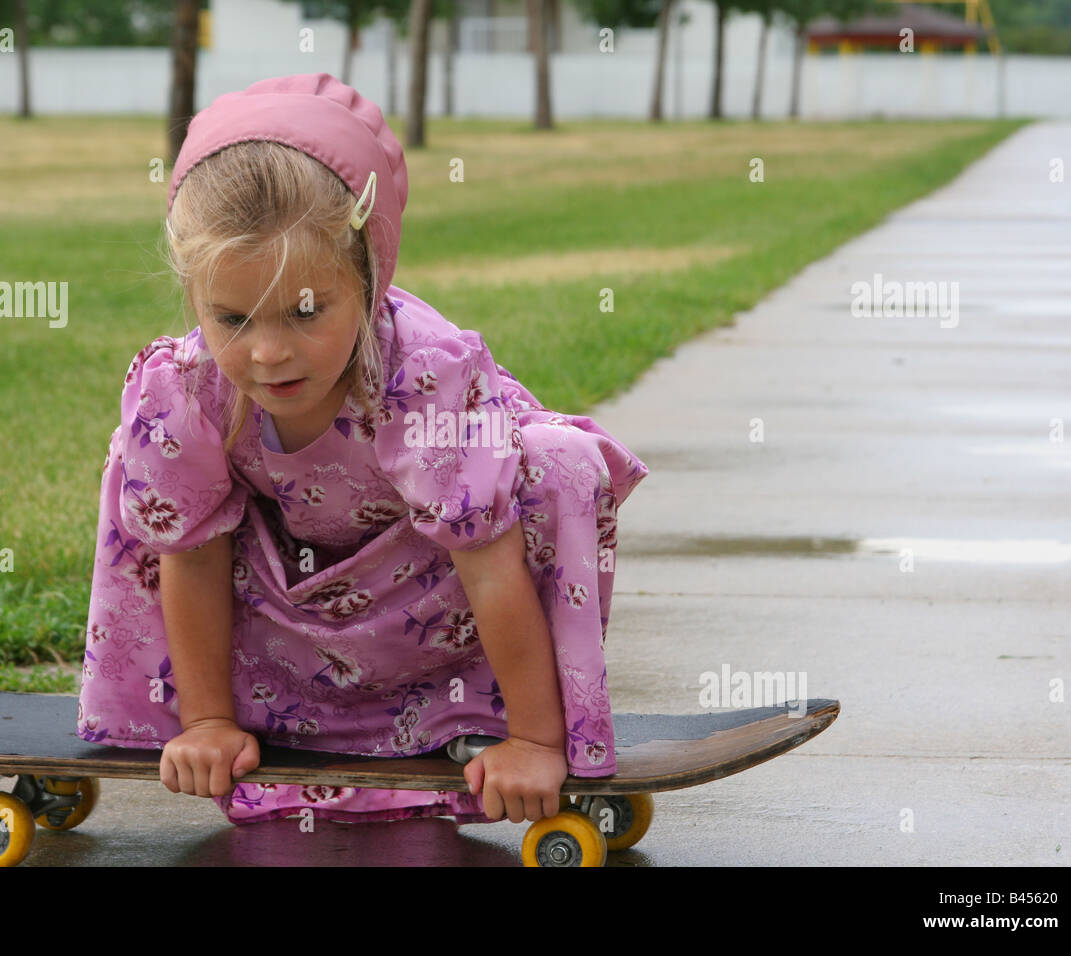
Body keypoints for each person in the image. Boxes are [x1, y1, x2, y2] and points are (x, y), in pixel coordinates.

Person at [77, 73, 649, 827]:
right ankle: (266, 717)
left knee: (552, 465)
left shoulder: (422, 378)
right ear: (193, 294)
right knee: (143, 462)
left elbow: (488, 562)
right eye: (232, 317)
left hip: (436, 605)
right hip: (292, 613)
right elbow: (191, 556)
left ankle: (474, 719)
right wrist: (208, 722)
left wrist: (536, 741)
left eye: (306, 311)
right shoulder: (187, 388)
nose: (269, 353)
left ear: (370, 279)